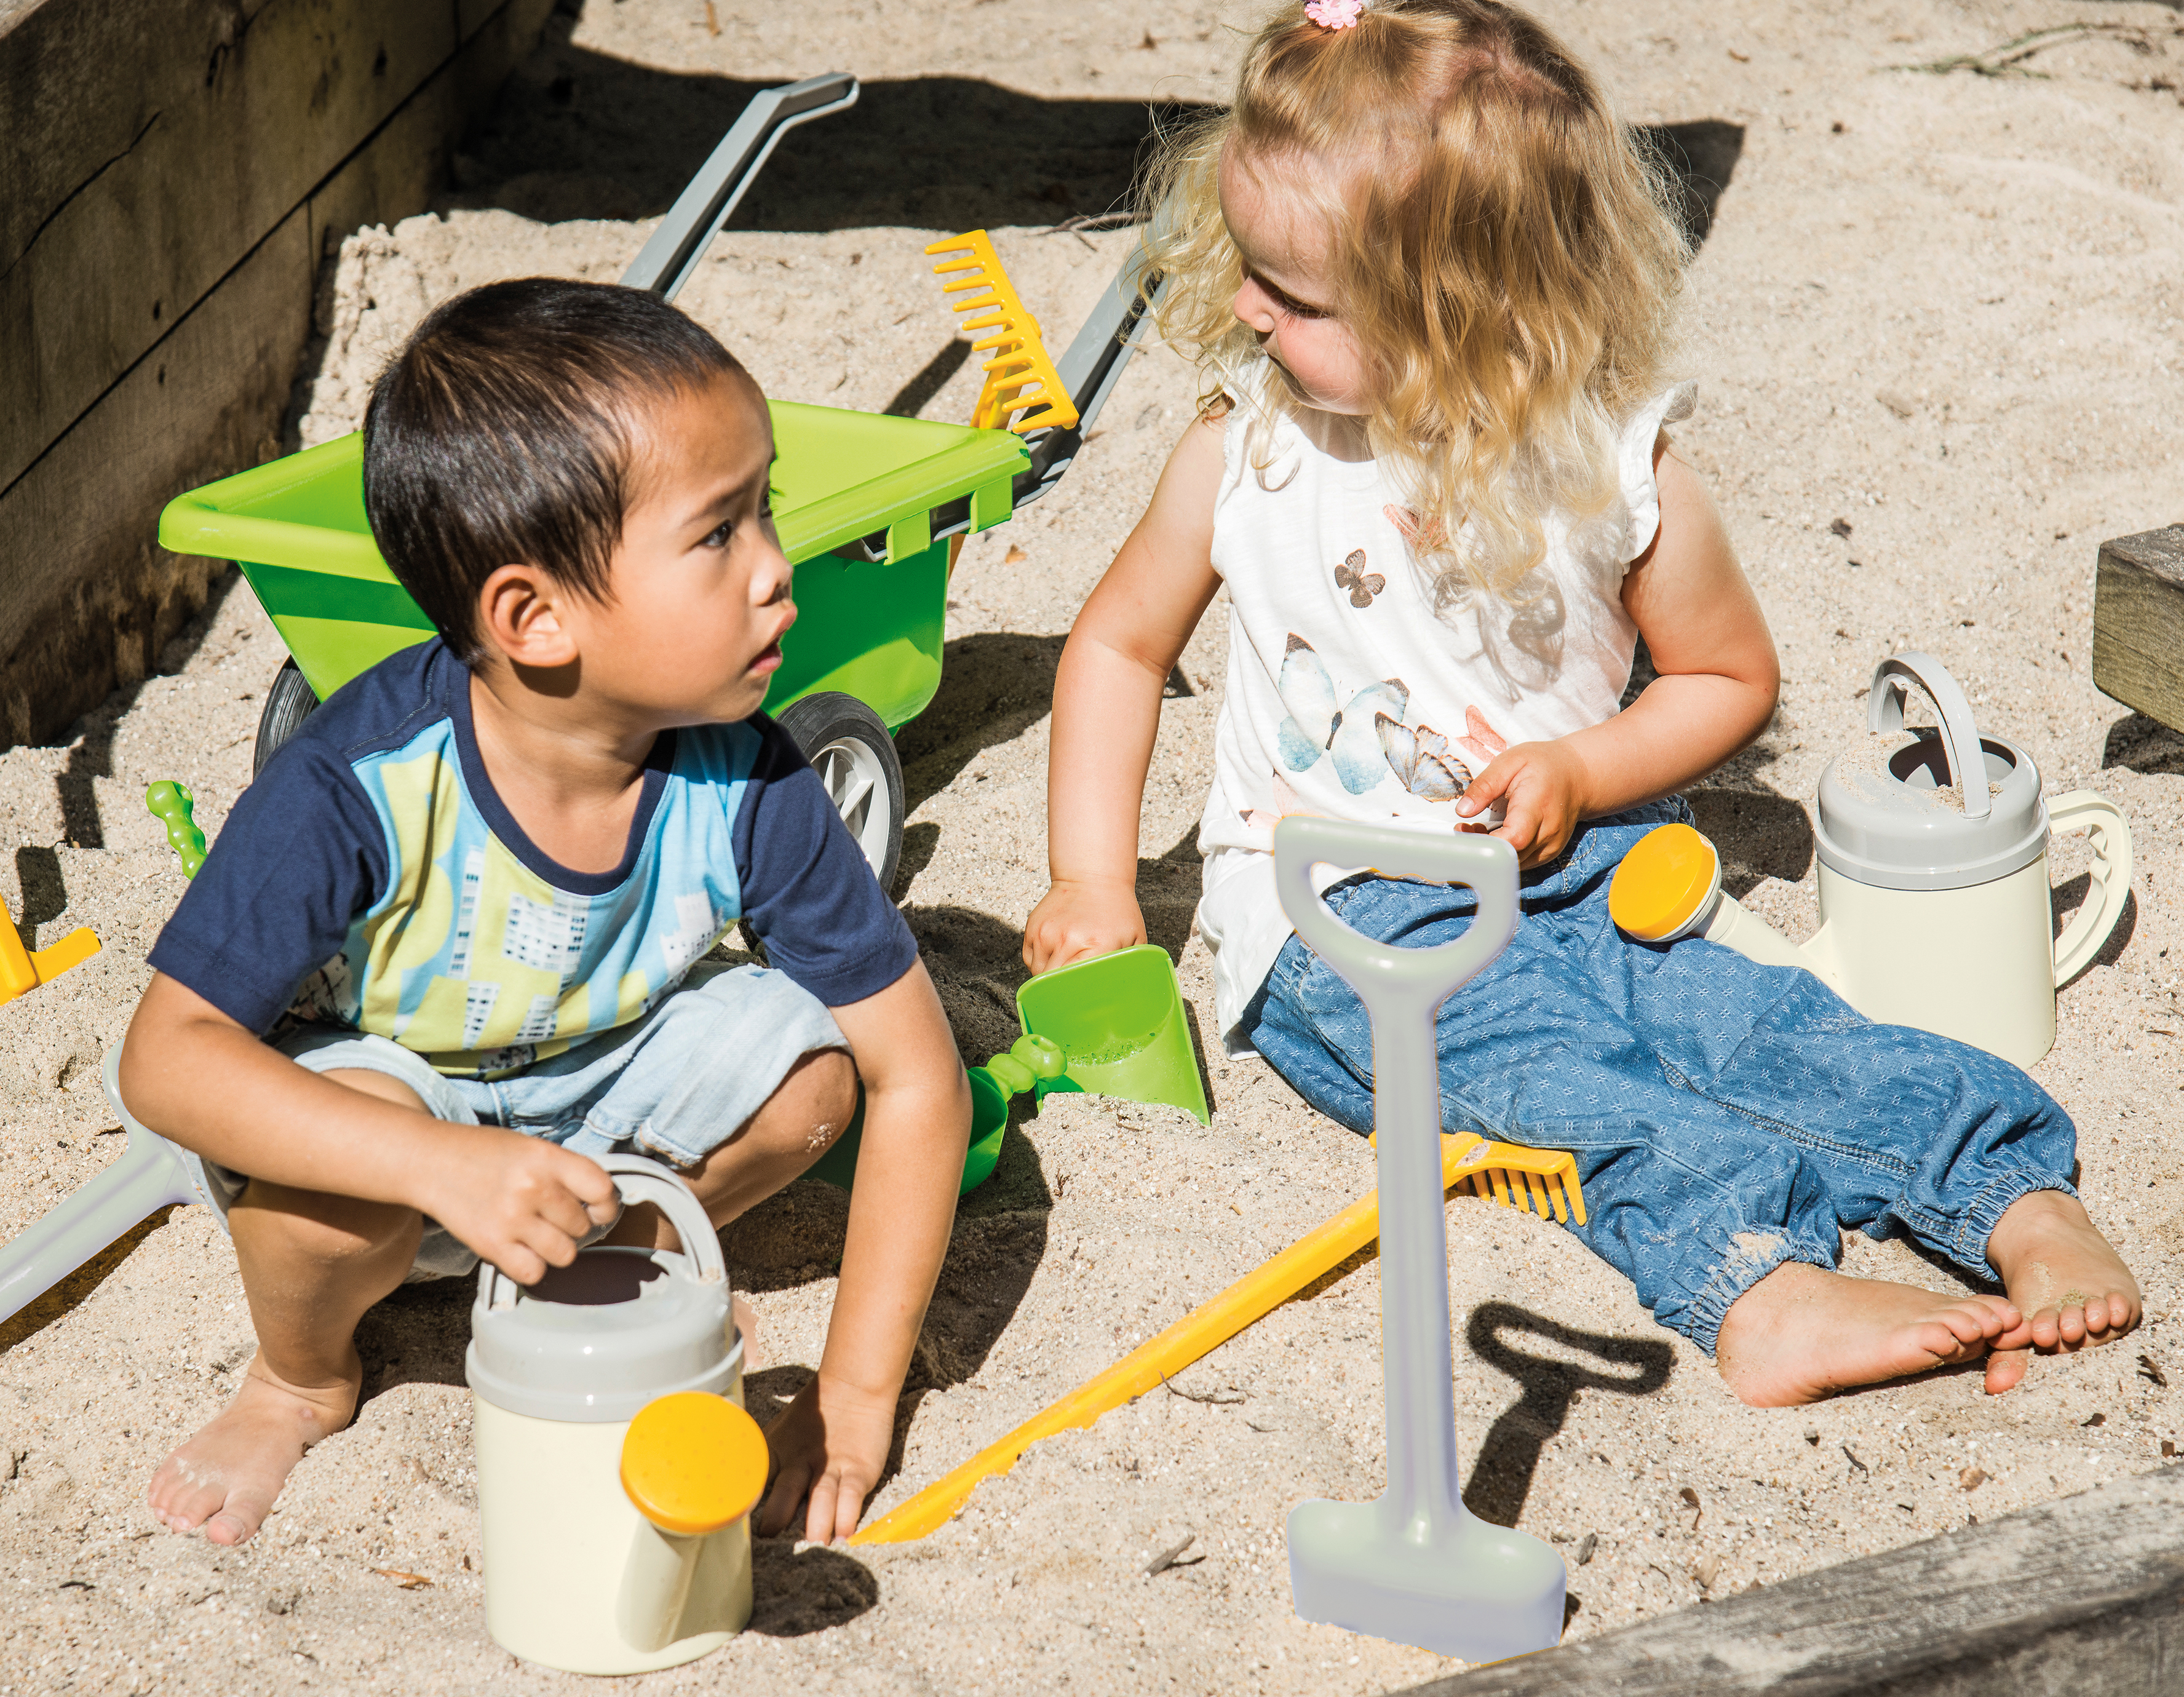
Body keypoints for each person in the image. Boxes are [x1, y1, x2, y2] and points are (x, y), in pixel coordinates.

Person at [1022, 0, 2139, 1404]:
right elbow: (1120, 647)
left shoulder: (1614, 467)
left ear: (1464, 314)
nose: (1247, 307)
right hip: (1345, 914)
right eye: (1249, 268)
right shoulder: (1248, 452)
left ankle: (2009, 1193)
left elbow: (1730, 680)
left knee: (1759, 1026)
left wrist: (1589, 768)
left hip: (1586, 866)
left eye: (1294, 297)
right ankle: (1761, 1286)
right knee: (1561, 1091)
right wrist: (1090, 877)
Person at [117, 278, 969, 1546]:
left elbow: (921, 1080)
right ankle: (300, 1380)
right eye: (718, 535)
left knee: (816, 1081)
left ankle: (591, 1262)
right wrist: (437, 1164)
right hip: (393, 1101)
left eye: (766, 510)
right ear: (534, 616)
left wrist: (854, 1396)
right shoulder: (360, 784)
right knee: (310, 1212)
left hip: (606, 1091)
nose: (780, 571)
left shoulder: (750, 778)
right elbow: (166, 1061)